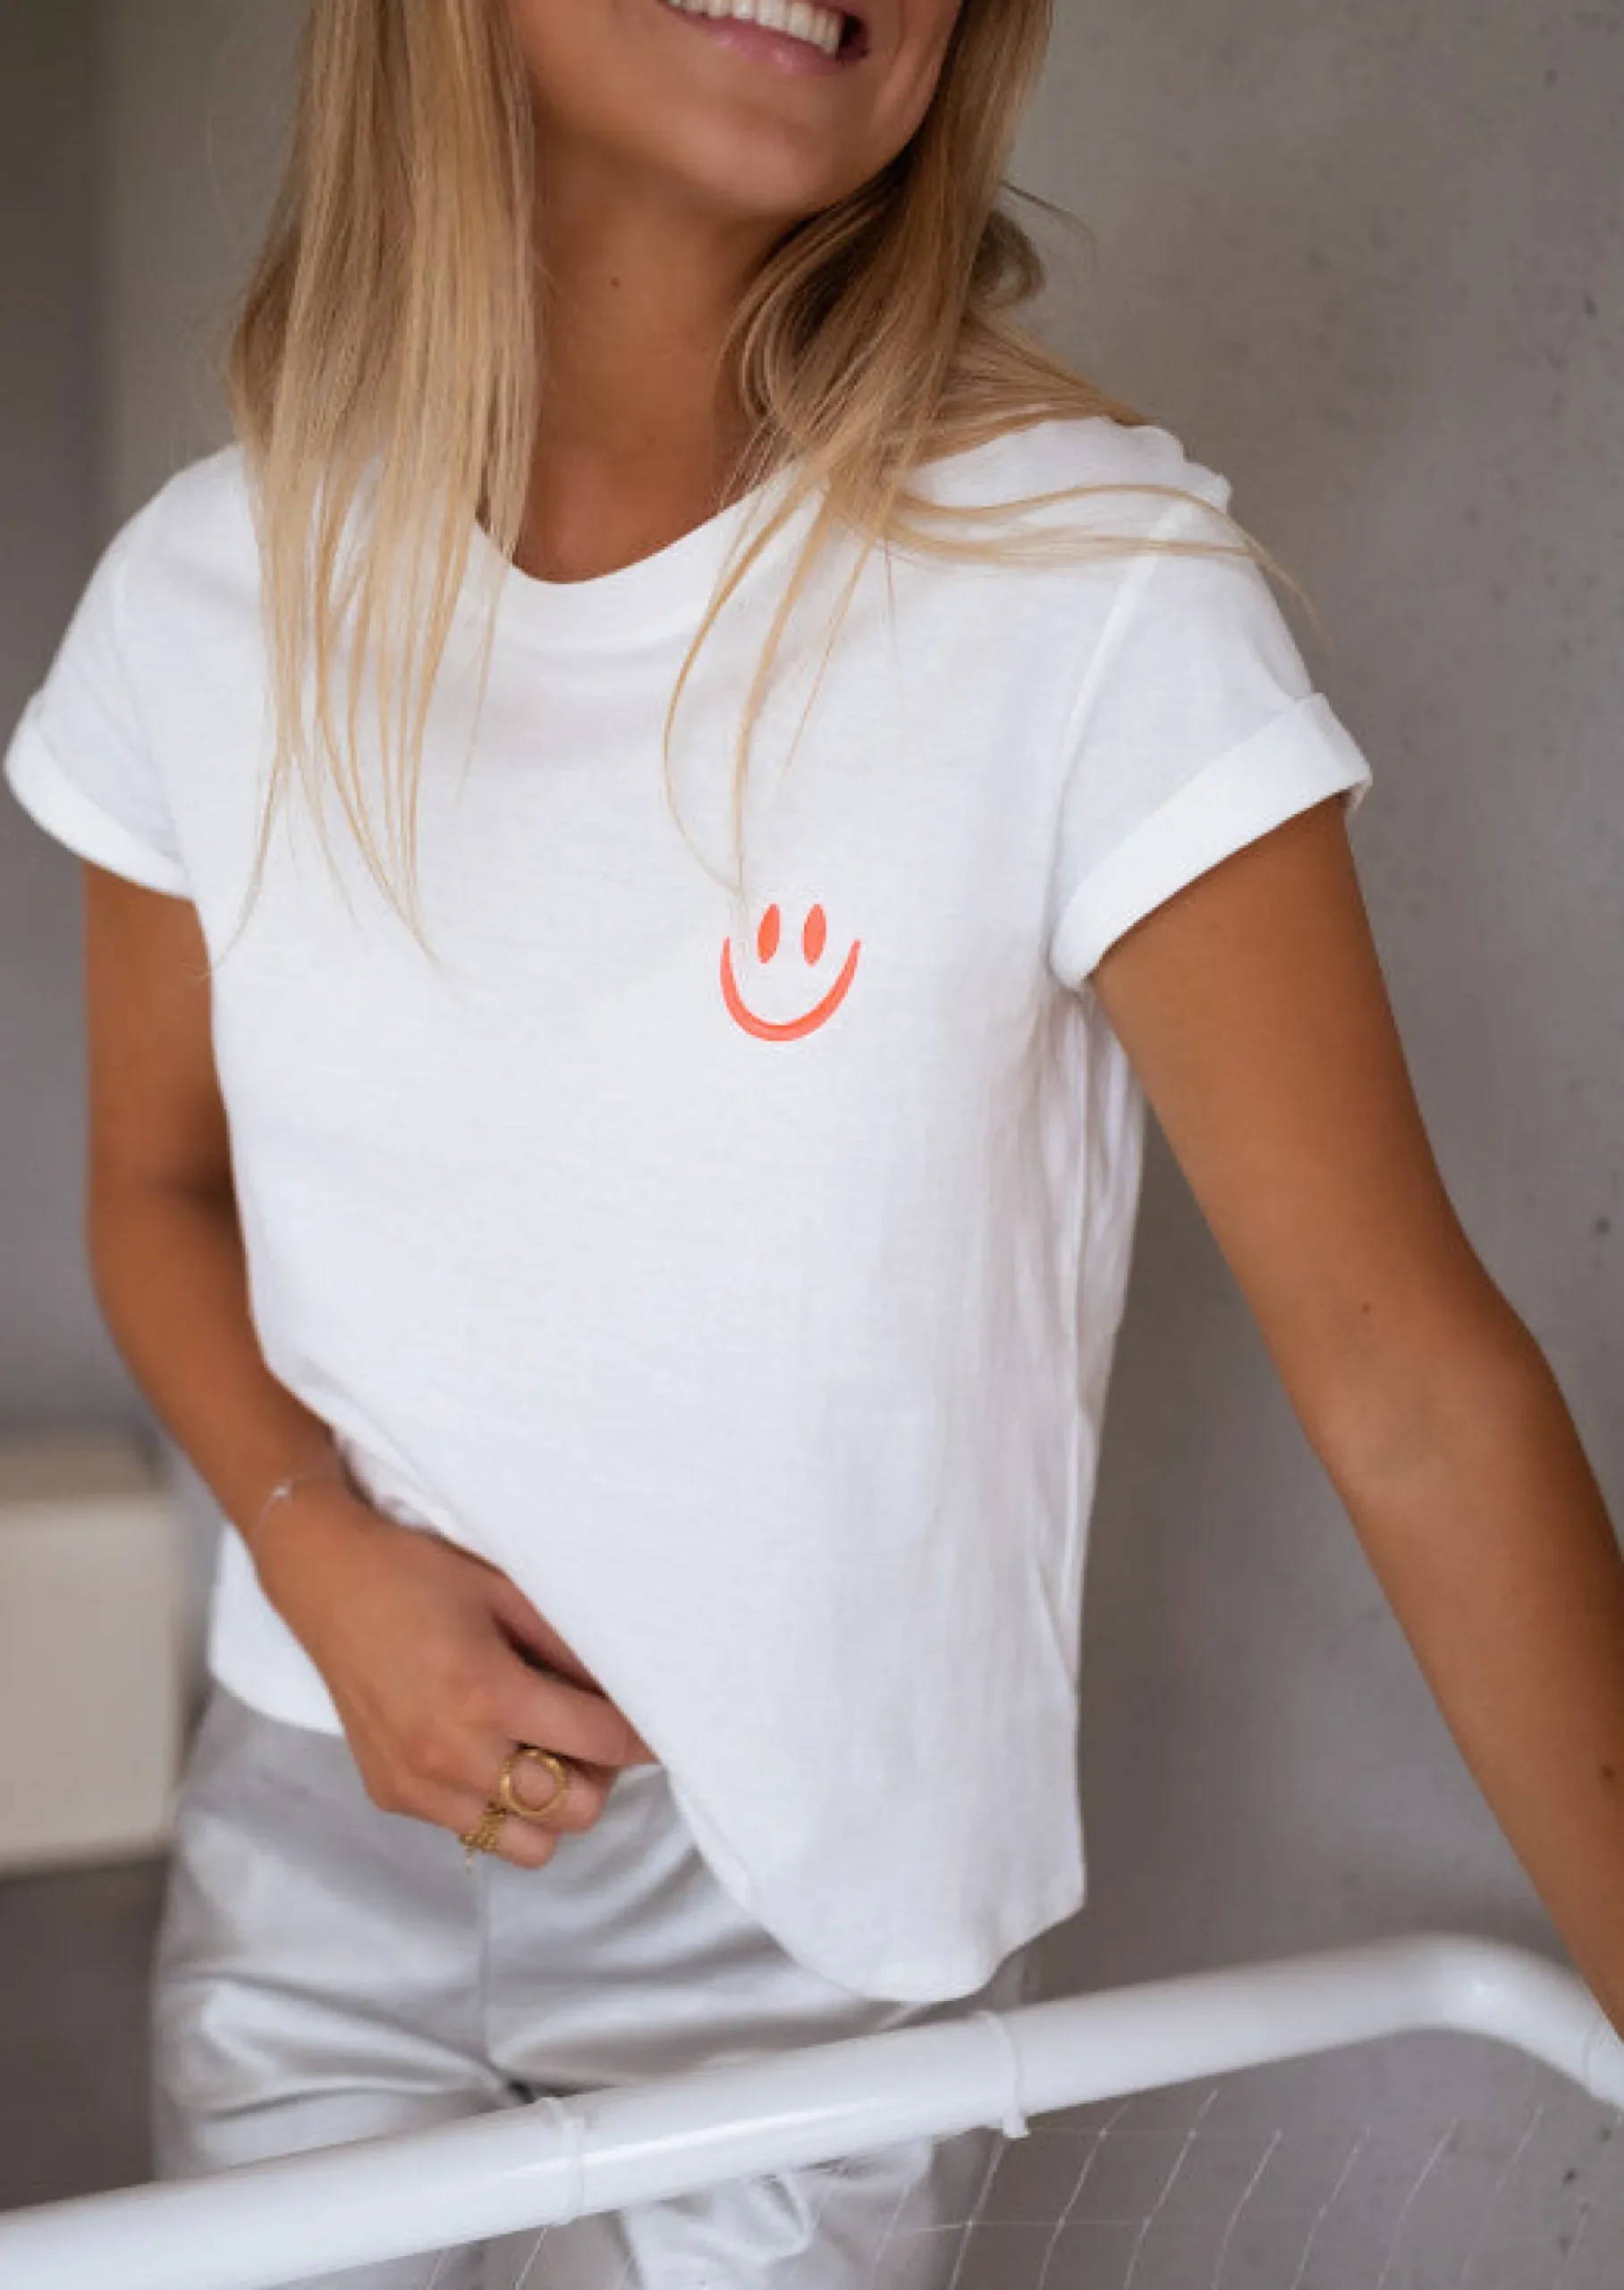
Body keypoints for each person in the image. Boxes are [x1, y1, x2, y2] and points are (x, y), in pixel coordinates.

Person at [6, 1, 1624, 2284]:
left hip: (815, 1962)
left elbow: (1414, 1392)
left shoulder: (1089, 594)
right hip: (321, 1852)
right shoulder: (206, 591)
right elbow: (156, 1190)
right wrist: (315, 1553)